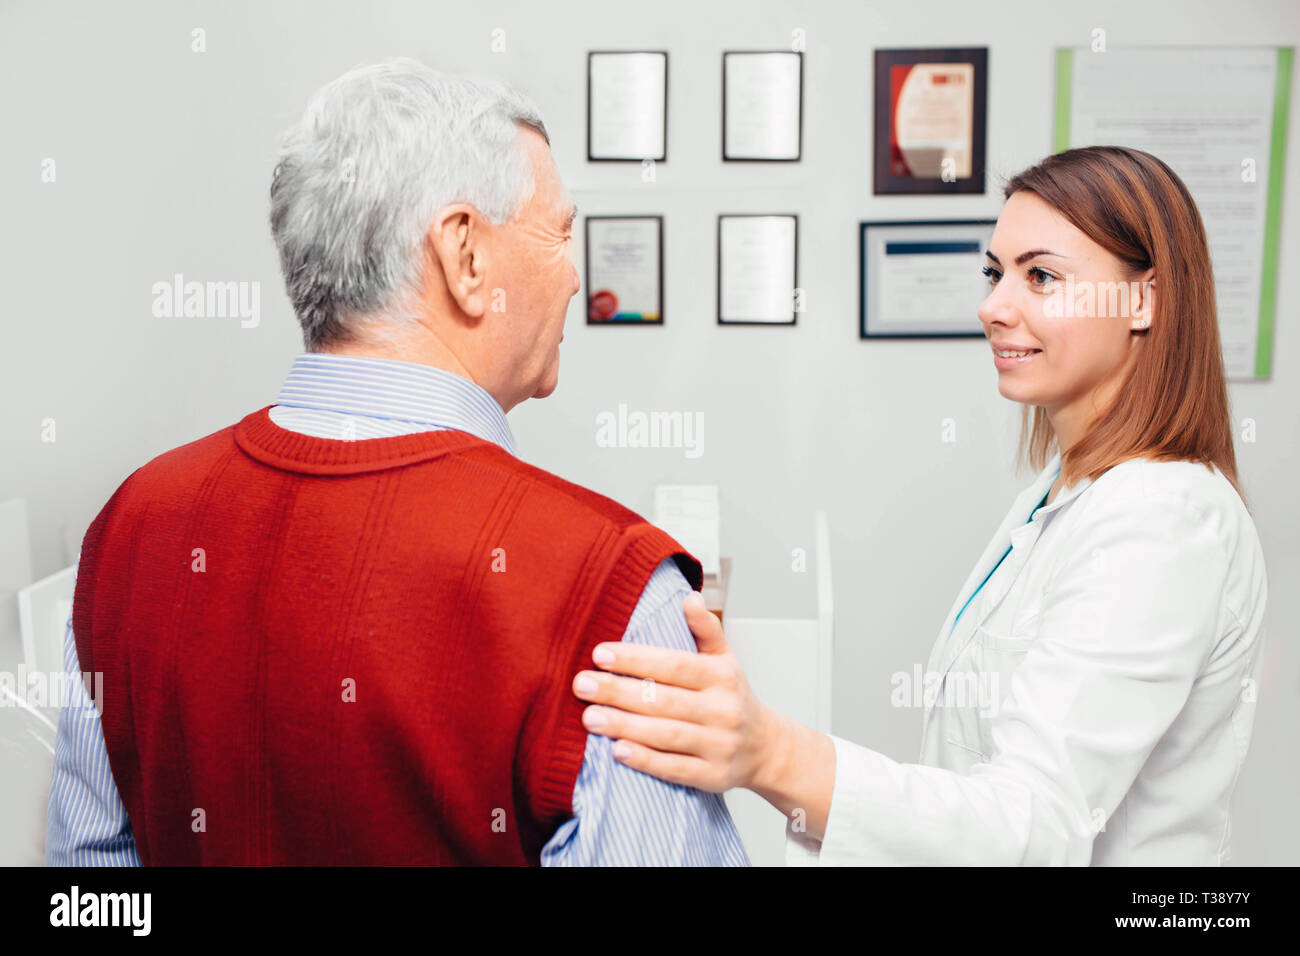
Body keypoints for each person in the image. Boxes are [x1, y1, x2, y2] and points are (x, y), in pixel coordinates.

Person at [46, 58, 748, 866]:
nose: (574, 275)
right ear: (466, 257)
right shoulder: (616, 599)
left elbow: (90, 876)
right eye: (558, 233)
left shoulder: (133, 526)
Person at [573, 145, 1269, 866]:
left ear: (1143, 301)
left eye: (1042, 276)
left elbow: (1033, 826)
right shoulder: (1067, 492)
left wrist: (772, 754)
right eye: (996, 274)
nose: (994, 307)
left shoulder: (1165, 521)